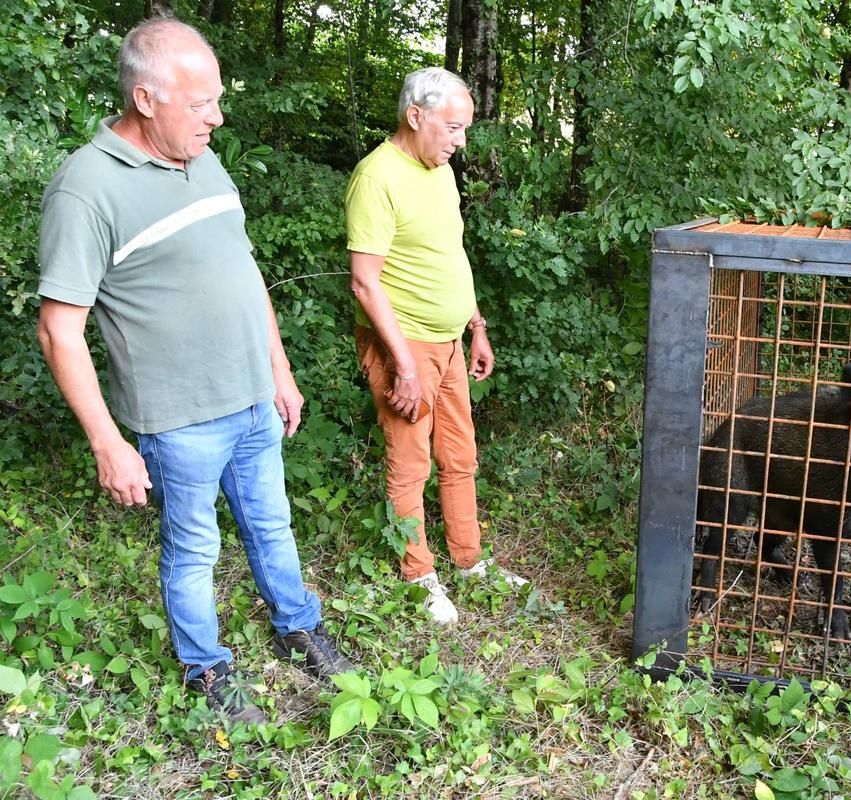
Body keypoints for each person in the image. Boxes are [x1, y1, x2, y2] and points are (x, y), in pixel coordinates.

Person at [37, 16, 352, 725]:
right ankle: (206, 669)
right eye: (200, 102)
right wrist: (107, 443)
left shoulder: (203, 158)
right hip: (179, 419)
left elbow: (244, 270)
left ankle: (298, 626)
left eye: (217, 100)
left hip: (253, 398)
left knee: (273, 525)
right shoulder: (86, 189)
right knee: (193, 550)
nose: (216, 117)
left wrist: (279, 369)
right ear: (146, 99)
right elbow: (60, 330)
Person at [345, 67, 528, 625]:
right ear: (415, 116)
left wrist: (475, 325)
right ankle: (418, 575)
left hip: (448, 342)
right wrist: (402, 365)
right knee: (411, 464)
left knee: (459, 455)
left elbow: (449, 254)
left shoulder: (440, 171)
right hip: (406, 347)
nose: (460, 141)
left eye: (464, 128)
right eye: (452, 128)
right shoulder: (376, 178)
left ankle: (468, 562)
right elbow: (364, 283)